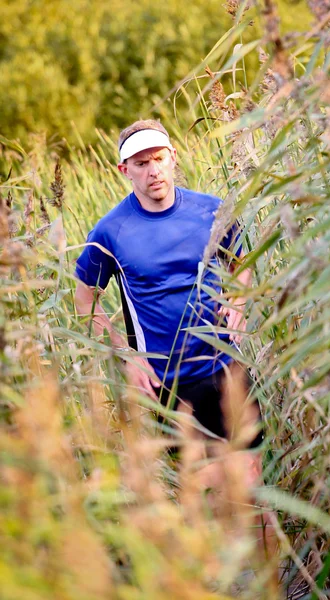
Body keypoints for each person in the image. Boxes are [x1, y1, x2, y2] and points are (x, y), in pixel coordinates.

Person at [74, 118, 263, 481]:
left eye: (159, 159)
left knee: (251, 486)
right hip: (169, 384)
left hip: (226, 367)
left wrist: (238, 300)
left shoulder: (212, 210)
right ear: (124, 170)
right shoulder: (110, 231)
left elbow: (241, 261)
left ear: (173, 157)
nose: (153, 171)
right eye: (141, 164)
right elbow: (86, 299)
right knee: (207, 494)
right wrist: (126, 355)